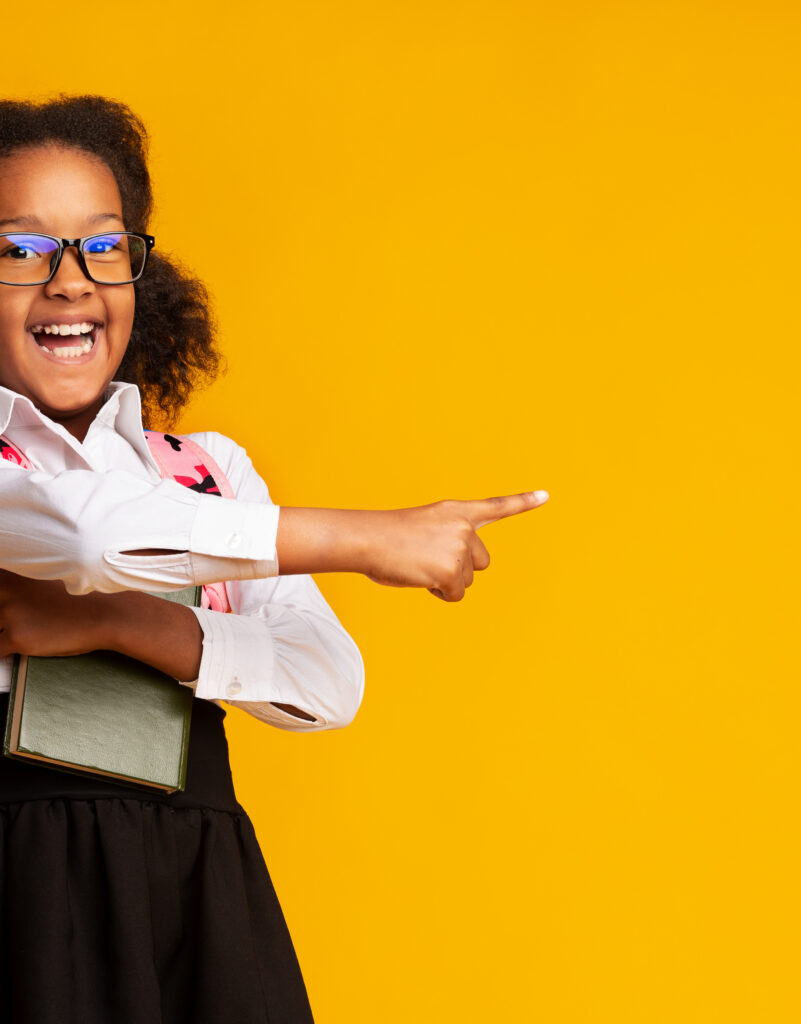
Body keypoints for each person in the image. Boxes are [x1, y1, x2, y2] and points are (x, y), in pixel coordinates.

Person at [0, 95, 547, 1024]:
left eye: (102, 245)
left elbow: (324, 682)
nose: (69, 282)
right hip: (20, 887)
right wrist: (368, 538)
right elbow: (92, 536)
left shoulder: (210, 471)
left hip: (196, 887)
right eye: (18, 249)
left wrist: (117, 622)